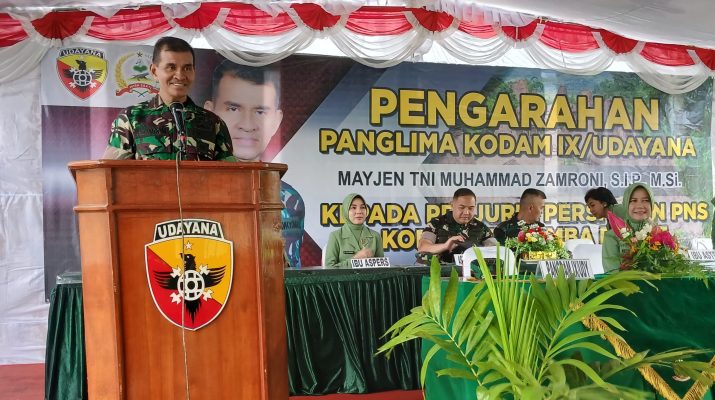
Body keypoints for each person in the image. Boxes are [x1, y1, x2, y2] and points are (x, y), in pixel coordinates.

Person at [205, 60, 305, 268]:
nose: (248, 125)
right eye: (233, 108)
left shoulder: (288, 200)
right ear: (210, 114)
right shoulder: (198, 191)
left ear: (276, 120)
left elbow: (289, 273)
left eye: (260, 112)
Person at [103, 36, 235, 161]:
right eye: (171, 67)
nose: (180, 76)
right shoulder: (131, 118)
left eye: (187, 68)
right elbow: (110, 171)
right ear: (154, 71)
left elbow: (231, 173)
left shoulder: (213, 123)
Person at [418, 188, 497, 263]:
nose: (466, 212)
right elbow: (423, 247)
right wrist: (446, 246)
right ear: (452, 205)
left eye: (471, 208)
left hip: (472, 272)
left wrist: (475, 248)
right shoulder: (436, 223)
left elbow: (496, 252)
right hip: (442, 271)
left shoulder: (481, 228)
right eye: (461, 207)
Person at [602, 182, 653, 272]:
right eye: (633, 201)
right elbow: (612, 273)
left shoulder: (659, 234)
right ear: (626, 204)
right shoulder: (612, 236)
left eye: (645, 200)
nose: (640, 206)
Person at [324, 193, 384, 268]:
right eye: (353, 207)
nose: (359, 211)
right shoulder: (335, 236)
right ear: (345, 210)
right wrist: (355, 260)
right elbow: (329, 268)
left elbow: (382, 269)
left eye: (362, 207)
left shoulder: (375, 236)